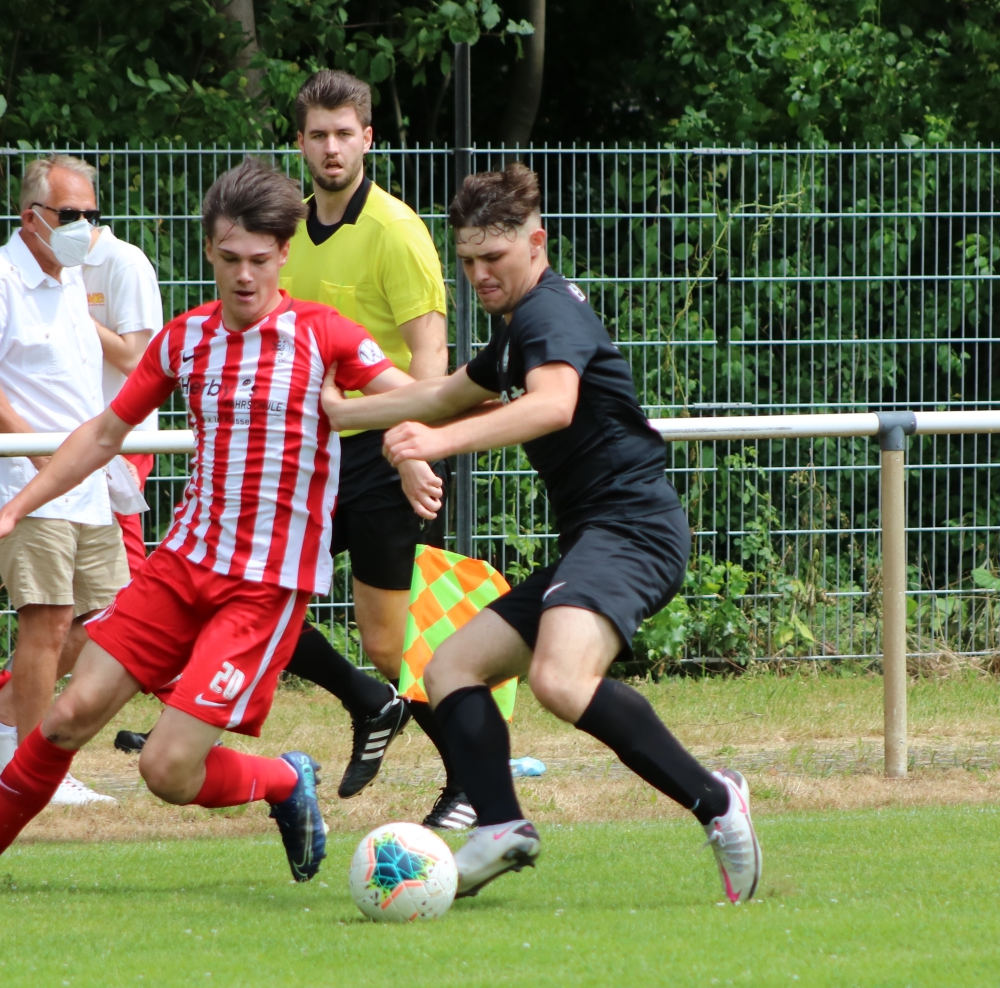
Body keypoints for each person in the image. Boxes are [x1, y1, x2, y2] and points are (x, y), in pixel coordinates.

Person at [0, 157, 406, 897]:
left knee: (166, 770)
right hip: (182, 566)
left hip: (263, 587)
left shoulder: (324, 335)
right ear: (209, 250)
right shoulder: (187, 338)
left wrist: (417, 447)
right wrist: (17, 506)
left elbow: (415, 398)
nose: (244, 275)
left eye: (259, 259)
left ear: (284, 253)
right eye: (229, 258)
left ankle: (284, 780)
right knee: (67, 716)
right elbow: (101, 434)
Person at [321, 164, 762, 905]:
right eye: (467, 261)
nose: (479, 275)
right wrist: (344, 412)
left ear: (537, 244)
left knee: (559, 680)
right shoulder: (517, 328)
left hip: (634, 529)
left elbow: (553, 404)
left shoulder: (549, 315)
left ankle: (717, 801)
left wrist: (435, 444)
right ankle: (501, 826)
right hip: (596, 537)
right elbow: (445, 394)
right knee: (451, 669)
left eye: (493, 257)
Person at [116, 70, 466, 824]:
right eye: (318, 135)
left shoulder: (397, 230)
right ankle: (333, 707)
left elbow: (429, 361)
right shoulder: (284, 230)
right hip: (307, 456)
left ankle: (468, 777)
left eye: (344, 134)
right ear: (300, 142)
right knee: (236, 585)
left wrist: (414, 453)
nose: (332, 148)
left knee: (387, 641)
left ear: (368, 138)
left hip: (379, 454)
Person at [0, 154, 125, 806]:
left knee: (114, 616)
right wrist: (36, 451)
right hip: (28, 483)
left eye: (91, 215)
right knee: (47, 621)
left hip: (85, 480)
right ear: (31, 217)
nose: (83, 227)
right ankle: (35, 771)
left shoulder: (70, 279)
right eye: (70, 214)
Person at [82, 224, 163, 580]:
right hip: (76, 429)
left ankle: (134, 612)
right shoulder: (58, 263)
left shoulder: (125, 262)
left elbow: (135, 358)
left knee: (120, 546)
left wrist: (75, 312)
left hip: (122, 432)